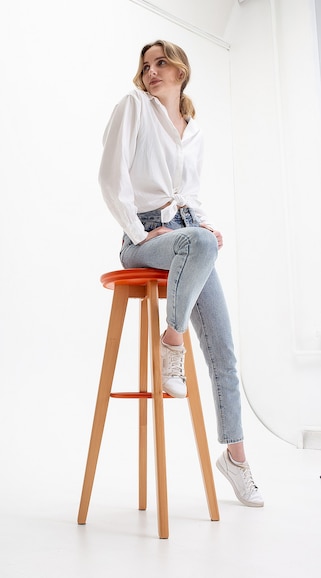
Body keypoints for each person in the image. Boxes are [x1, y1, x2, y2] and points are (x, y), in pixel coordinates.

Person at [98, 39, 264, 508]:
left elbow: (187, 194)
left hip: (188, 236)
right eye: (146, 65)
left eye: (161, 63)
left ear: (180, 71)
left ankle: (236, 458)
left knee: (225, 355)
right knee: (201, 242)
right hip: (146, 240)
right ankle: (173, 342)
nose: (151, 72)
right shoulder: (134, 107)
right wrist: (138, 231)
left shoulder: (194, 131)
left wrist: (201, 222)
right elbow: (111, 177)